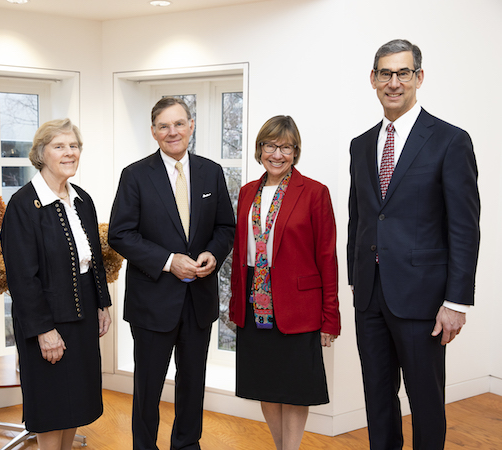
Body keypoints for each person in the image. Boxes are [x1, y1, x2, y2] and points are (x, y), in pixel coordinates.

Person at [347, 39, 480, 449]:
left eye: (403, 72)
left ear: (419, 78)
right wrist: (356, 281)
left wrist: (456, 302)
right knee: (377, 400)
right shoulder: (361, 144)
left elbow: (464, 227)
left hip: (423, 300)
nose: (394, 82)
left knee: (425, 402)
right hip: (370, 296)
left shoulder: (449, 140)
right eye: (385, 73)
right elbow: (360, 218)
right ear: (372, 79)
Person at [108, 97, 235, 450]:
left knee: (193, 382)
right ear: (153, 132)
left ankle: (186, 444)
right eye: (163, 126)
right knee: (148, 386)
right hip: (152, 302)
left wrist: (212, 253)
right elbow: (119, 233)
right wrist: (168, 260)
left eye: (179, 123)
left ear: (191, 125)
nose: (172, 132)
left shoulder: (211, 171)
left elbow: (226, 226)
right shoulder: (135, 175)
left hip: (199, 300)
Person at [229, 115, 340, 450]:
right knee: (266, 385)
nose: (277, 154)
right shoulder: (248, 192)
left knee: (293, 390)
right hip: (255, 304)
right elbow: (239, 253)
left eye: (286, 147)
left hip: (297, 306)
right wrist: (236, 308)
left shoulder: (315, 192)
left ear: (296, 151)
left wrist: (330, 317)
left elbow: (327, 258)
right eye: (270, 145)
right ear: (259, 148)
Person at [0, 118, 112, 450]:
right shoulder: (23, 205)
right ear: (40, 154)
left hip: (82, 319)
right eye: (59, 146)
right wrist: (43, 330)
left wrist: (102, 304)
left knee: (74, 405)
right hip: (48, 323)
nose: (69, 153)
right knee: (52, 411)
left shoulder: (82, 200)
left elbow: (95, 258)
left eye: (74, 146)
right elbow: (22, 278)